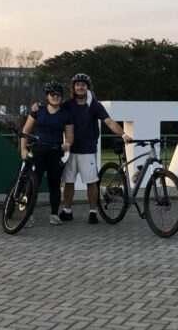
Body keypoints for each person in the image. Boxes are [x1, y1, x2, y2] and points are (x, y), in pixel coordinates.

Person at [55, 73, 130, 224]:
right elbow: (53, 109)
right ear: (74, 87)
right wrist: (36, 106)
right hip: (70, 150)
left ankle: (92, 212)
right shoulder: (68, 104)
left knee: (91, 183)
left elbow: (108, 121)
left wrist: (123, 134)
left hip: (88, 150)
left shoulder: (95, 105)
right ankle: (67, 211)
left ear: (87, 87)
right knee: (68, 182)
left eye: (83, 85)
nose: (80, 87)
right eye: (77, 85)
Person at [20, 81, 74, 226]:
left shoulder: (66, 115)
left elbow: (69, 135)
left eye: (58, 95)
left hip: (55, 153)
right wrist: (24, 149)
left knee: (55, 184)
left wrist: (67, 144)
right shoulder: (38, 110)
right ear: (47, 96)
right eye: (52, 94)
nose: (55, 97)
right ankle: (28, 216)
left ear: (62, 97)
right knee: (33, 183)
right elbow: (26, 131)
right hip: (37, 152)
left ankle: (54, 214)